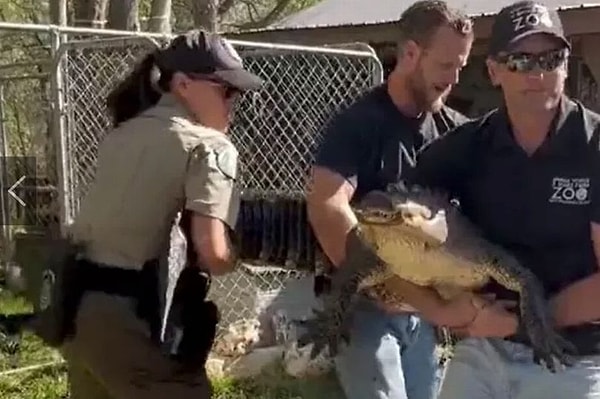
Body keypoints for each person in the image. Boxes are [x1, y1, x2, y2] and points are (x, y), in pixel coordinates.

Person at [405, 1, 600, 398]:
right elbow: (381, 239)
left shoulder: (593, 145)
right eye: (521, 60)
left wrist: (526, 322)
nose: (539, 73)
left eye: (551, 58)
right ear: (494, 70)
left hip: (576, 355)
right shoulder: (465, 149)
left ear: (566, 63)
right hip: (485, 347)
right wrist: (444, 311)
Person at [58, 29, 264, 399]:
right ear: (183, 84)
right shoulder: (210, 146)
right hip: (132, 319)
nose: (235, 101)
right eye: (226, 89)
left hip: (75, 308)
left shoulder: (121, 134)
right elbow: (213, 253)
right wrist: (245, 254)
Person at [305, 1, 481, 398]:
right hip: (368, 307)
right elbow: (327, 207)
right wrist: (394, 286)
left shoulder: (454, 133)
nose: (453, 79)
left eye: (461, 66)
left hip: (427, 315)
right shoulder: (358, 123)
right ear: (410, 53)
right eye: (445, 65)